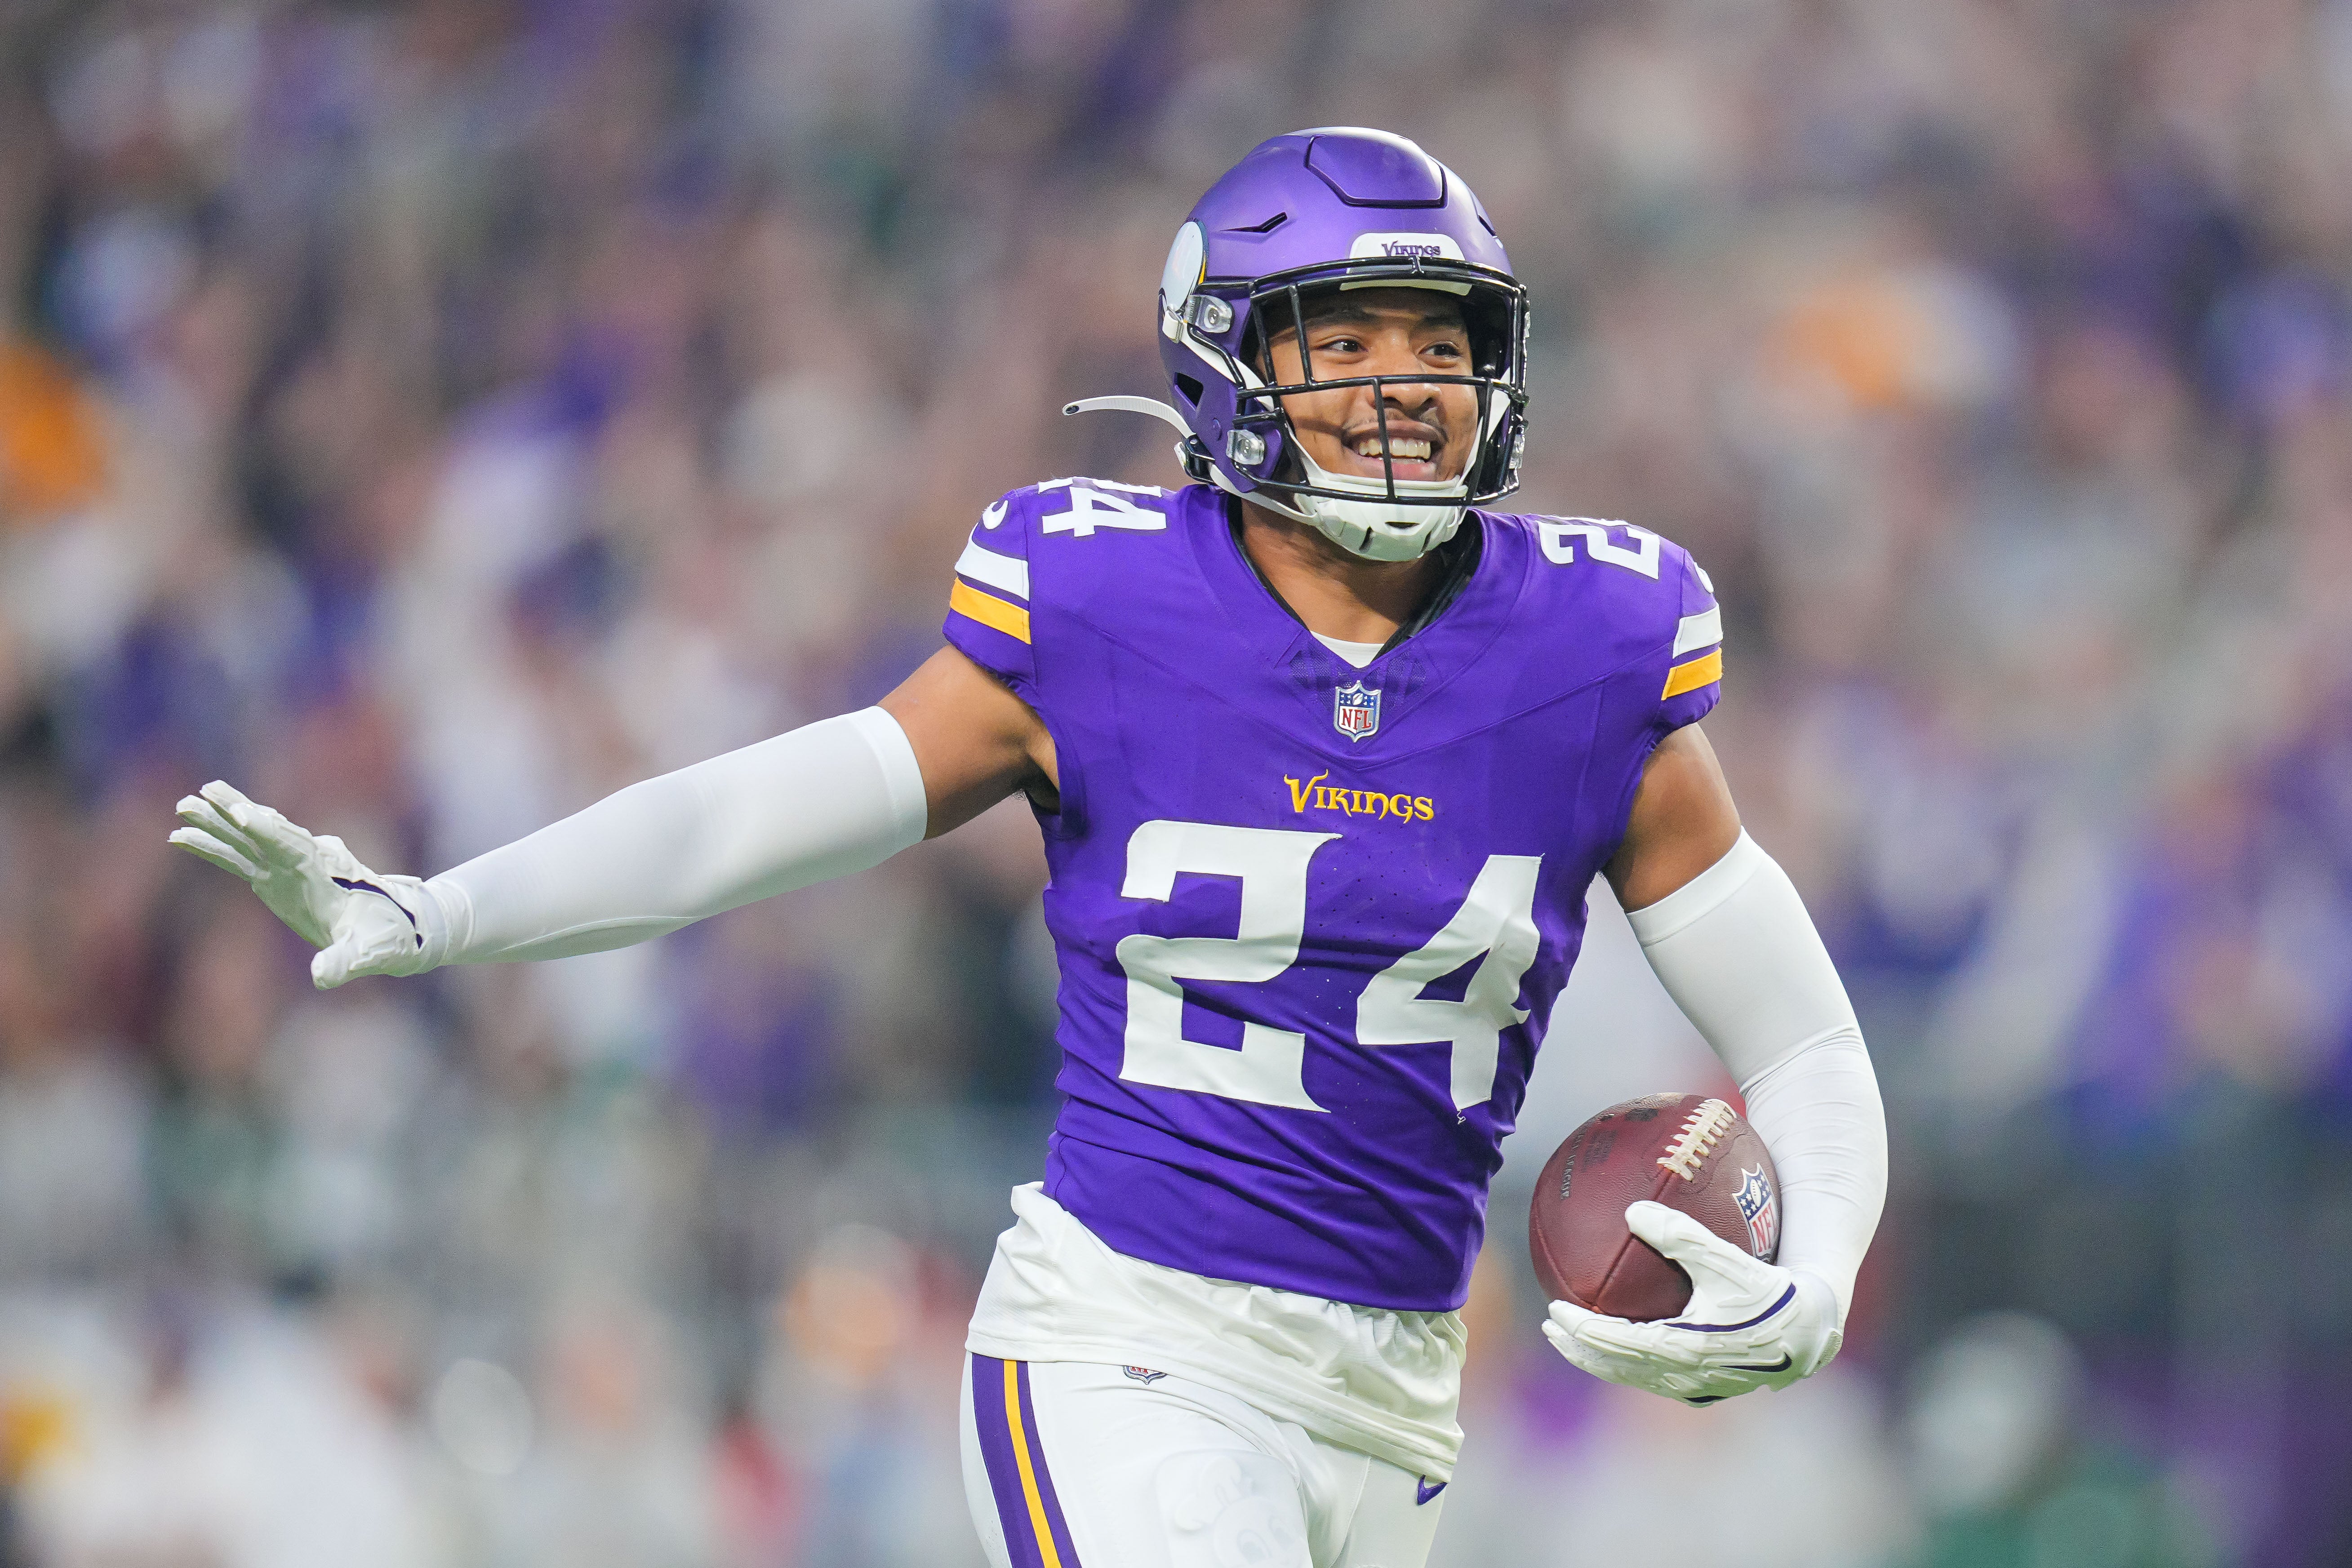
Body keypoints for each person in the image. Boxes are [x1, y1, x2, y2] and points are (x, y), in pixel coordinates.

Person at [171, 129, 1887, 1568]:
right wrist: (454, 904)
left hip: (1397, 1398)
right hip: (1125, 1344)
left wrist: (1814, 1275)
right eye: (1341, 342)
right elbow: (750, 814)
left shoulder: (1589, 649)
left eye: (1433, 341)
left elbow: (1798, 1034)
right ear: (1228, 361)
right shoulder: (1102, 599)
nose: (1399, 390)